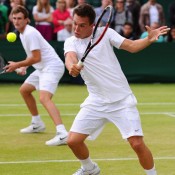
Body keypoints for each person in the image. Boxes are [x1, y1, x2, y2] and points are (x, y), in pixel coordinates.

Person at [64, 4, 170, 175]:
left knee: (136, 143)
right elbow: (70, 58)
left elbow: (132, 46)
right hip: (96, 101)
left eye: (82, 25)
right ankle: (90, 169)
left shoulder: (106, 33)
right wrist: (71, 67)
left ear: (93, 25)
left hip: (121, 100)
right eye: (75, 23)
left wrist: (148, 39)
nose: (76, 28)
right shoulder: (71, 41)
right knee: (73, 141)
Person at [5, 5, 68, 146]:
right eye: (14, 18)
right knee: (24, 90)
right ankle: (37, 123)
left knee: (44, 98)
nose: (16, 21)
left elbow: (36, 58)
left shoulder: (30, 33)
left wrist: (17, 65)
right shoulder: (22, 34)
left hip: (52, 67)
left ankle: (63, 133)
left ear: (27, 20)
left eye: (20, 18)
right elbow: (31, 56)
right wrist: (24, 67)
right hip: (42, 68)